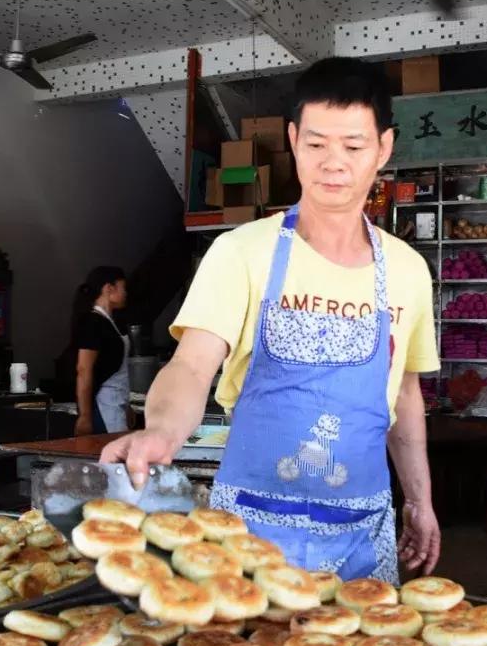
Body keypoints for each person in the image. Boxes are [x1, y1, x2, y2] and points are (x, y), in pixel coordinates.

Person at [101, 57, 441, 581]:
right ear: (292, 138)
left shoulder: (408, 270)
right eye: (316, 144)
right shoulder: (241, 252)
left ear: (384, 148)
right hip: (248, 532)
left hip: (361, 535)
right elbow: (192, 366)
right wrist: (162, 432)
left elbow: (403, 396)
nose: (333, 163)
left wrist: (419, 501)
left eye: (353, 147)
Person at [72, 266, 131, 435]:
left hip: (117, 403)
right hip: (103, 405)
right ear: (109, 288)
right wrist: (85, 415)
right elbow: (84, 370)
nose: (125, 293)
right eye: (123, 287)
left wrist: (126, 405)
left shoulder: (111, 322)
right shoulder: (92, 322)